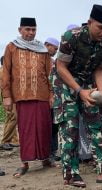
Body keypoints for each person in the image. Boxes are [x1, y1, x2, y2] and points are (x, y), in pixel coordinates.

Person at [53, 4, 102, 187]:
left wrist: (100, 91)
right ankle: (71, 174)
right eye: (100, 27)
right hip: (65, 85)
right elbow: (60, 67)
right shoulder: (72, 37)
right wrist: (79, 91)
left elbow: (100, 68)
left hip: (86, 85)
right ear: (90, 22)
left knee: (95, 126)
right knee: (70, 129)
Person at [2, 17, 53, 177]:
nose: (31, 33)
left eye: (33, 29)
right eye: (27, 29)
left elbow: (50, 74)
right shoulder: (11, 47)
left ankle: (46, 159)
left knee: (45, 128)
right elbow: (6, 74)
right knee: (25, 131)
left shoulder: (42, 49)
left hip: (42, 96)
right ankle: (24, 163)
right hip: (21, 97)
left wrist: (52, 94)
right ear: (20, 30)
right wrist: (7, 96)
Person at [44, 37, 61, 163]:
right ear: (46, 45)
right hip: (43, 98)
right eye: (54, 48)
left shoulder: (54, 62)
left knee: (55, 125)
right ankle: (46, 153)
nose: (55, 51)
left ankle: (53, 152)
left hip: (55, 97)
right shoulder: (40, 60)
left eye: (57, 49)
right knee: (46, 125)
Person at [0, 56, 18, 151]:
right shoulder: (3, 71)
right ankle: (5, 141)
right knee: (14, 117)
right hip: (9, 98)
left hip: (10, 97)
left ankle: (12, 140)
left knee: (10, 118)